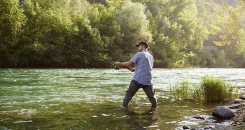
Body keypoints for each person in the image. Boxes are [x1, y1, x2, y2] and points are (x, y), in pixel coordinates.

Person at [114, 41, 157, 108]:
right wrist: (134, 69)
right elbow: (147, 68)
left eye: (139, 46)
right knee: (152, 97)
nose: (138, 48)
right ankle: (154, 110)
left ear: (143, 46)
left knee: (128, 94)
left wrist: (118, 64)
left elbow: (128, 64)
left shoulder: (139, 54)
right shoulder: (151, 57)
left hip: (137, 80)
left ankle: (124, 108)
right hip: (148, 81)